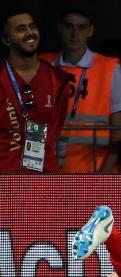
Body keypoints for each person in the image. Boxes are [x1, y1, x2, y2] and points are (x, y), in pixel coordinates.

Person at [40, 9, 121, 173]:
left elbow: (118, 132)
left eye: (81, 27)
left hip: (95, 169)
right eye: (69, 26)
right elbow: (35, 119)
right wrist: (33, 170)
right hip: (50, 171)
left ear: (90, 31)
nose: (74, 34)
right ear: (59, 28)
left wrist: (103, 175)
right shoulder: (43, 64)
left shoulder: (108, 67)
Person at [0, 10, 71, 173]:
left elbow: (55, 129)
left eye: (32, 27)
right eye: (21, 29)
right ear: (6, 39)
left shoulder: (58, 80)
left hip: (41, 179)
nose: (30, 33)